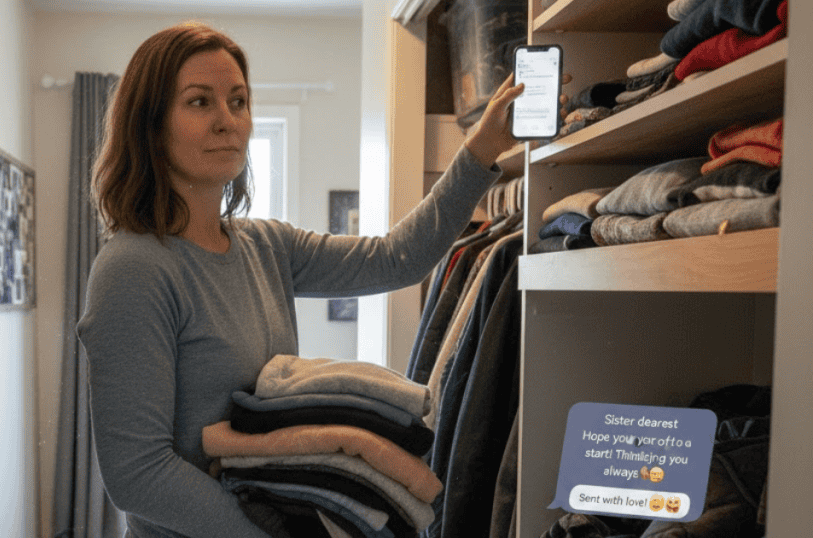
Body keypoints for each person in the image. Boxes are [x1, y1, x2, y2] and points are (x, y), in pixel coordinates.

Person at [77, 21, 569, 538]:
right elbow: (137, 475)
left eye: (238, 101)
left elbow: (395, 258)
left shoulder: (264, 245)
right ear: (150, 125)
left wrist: (480, 148)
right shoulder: (134, 269)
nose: (228, 120)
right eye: (199, 102)